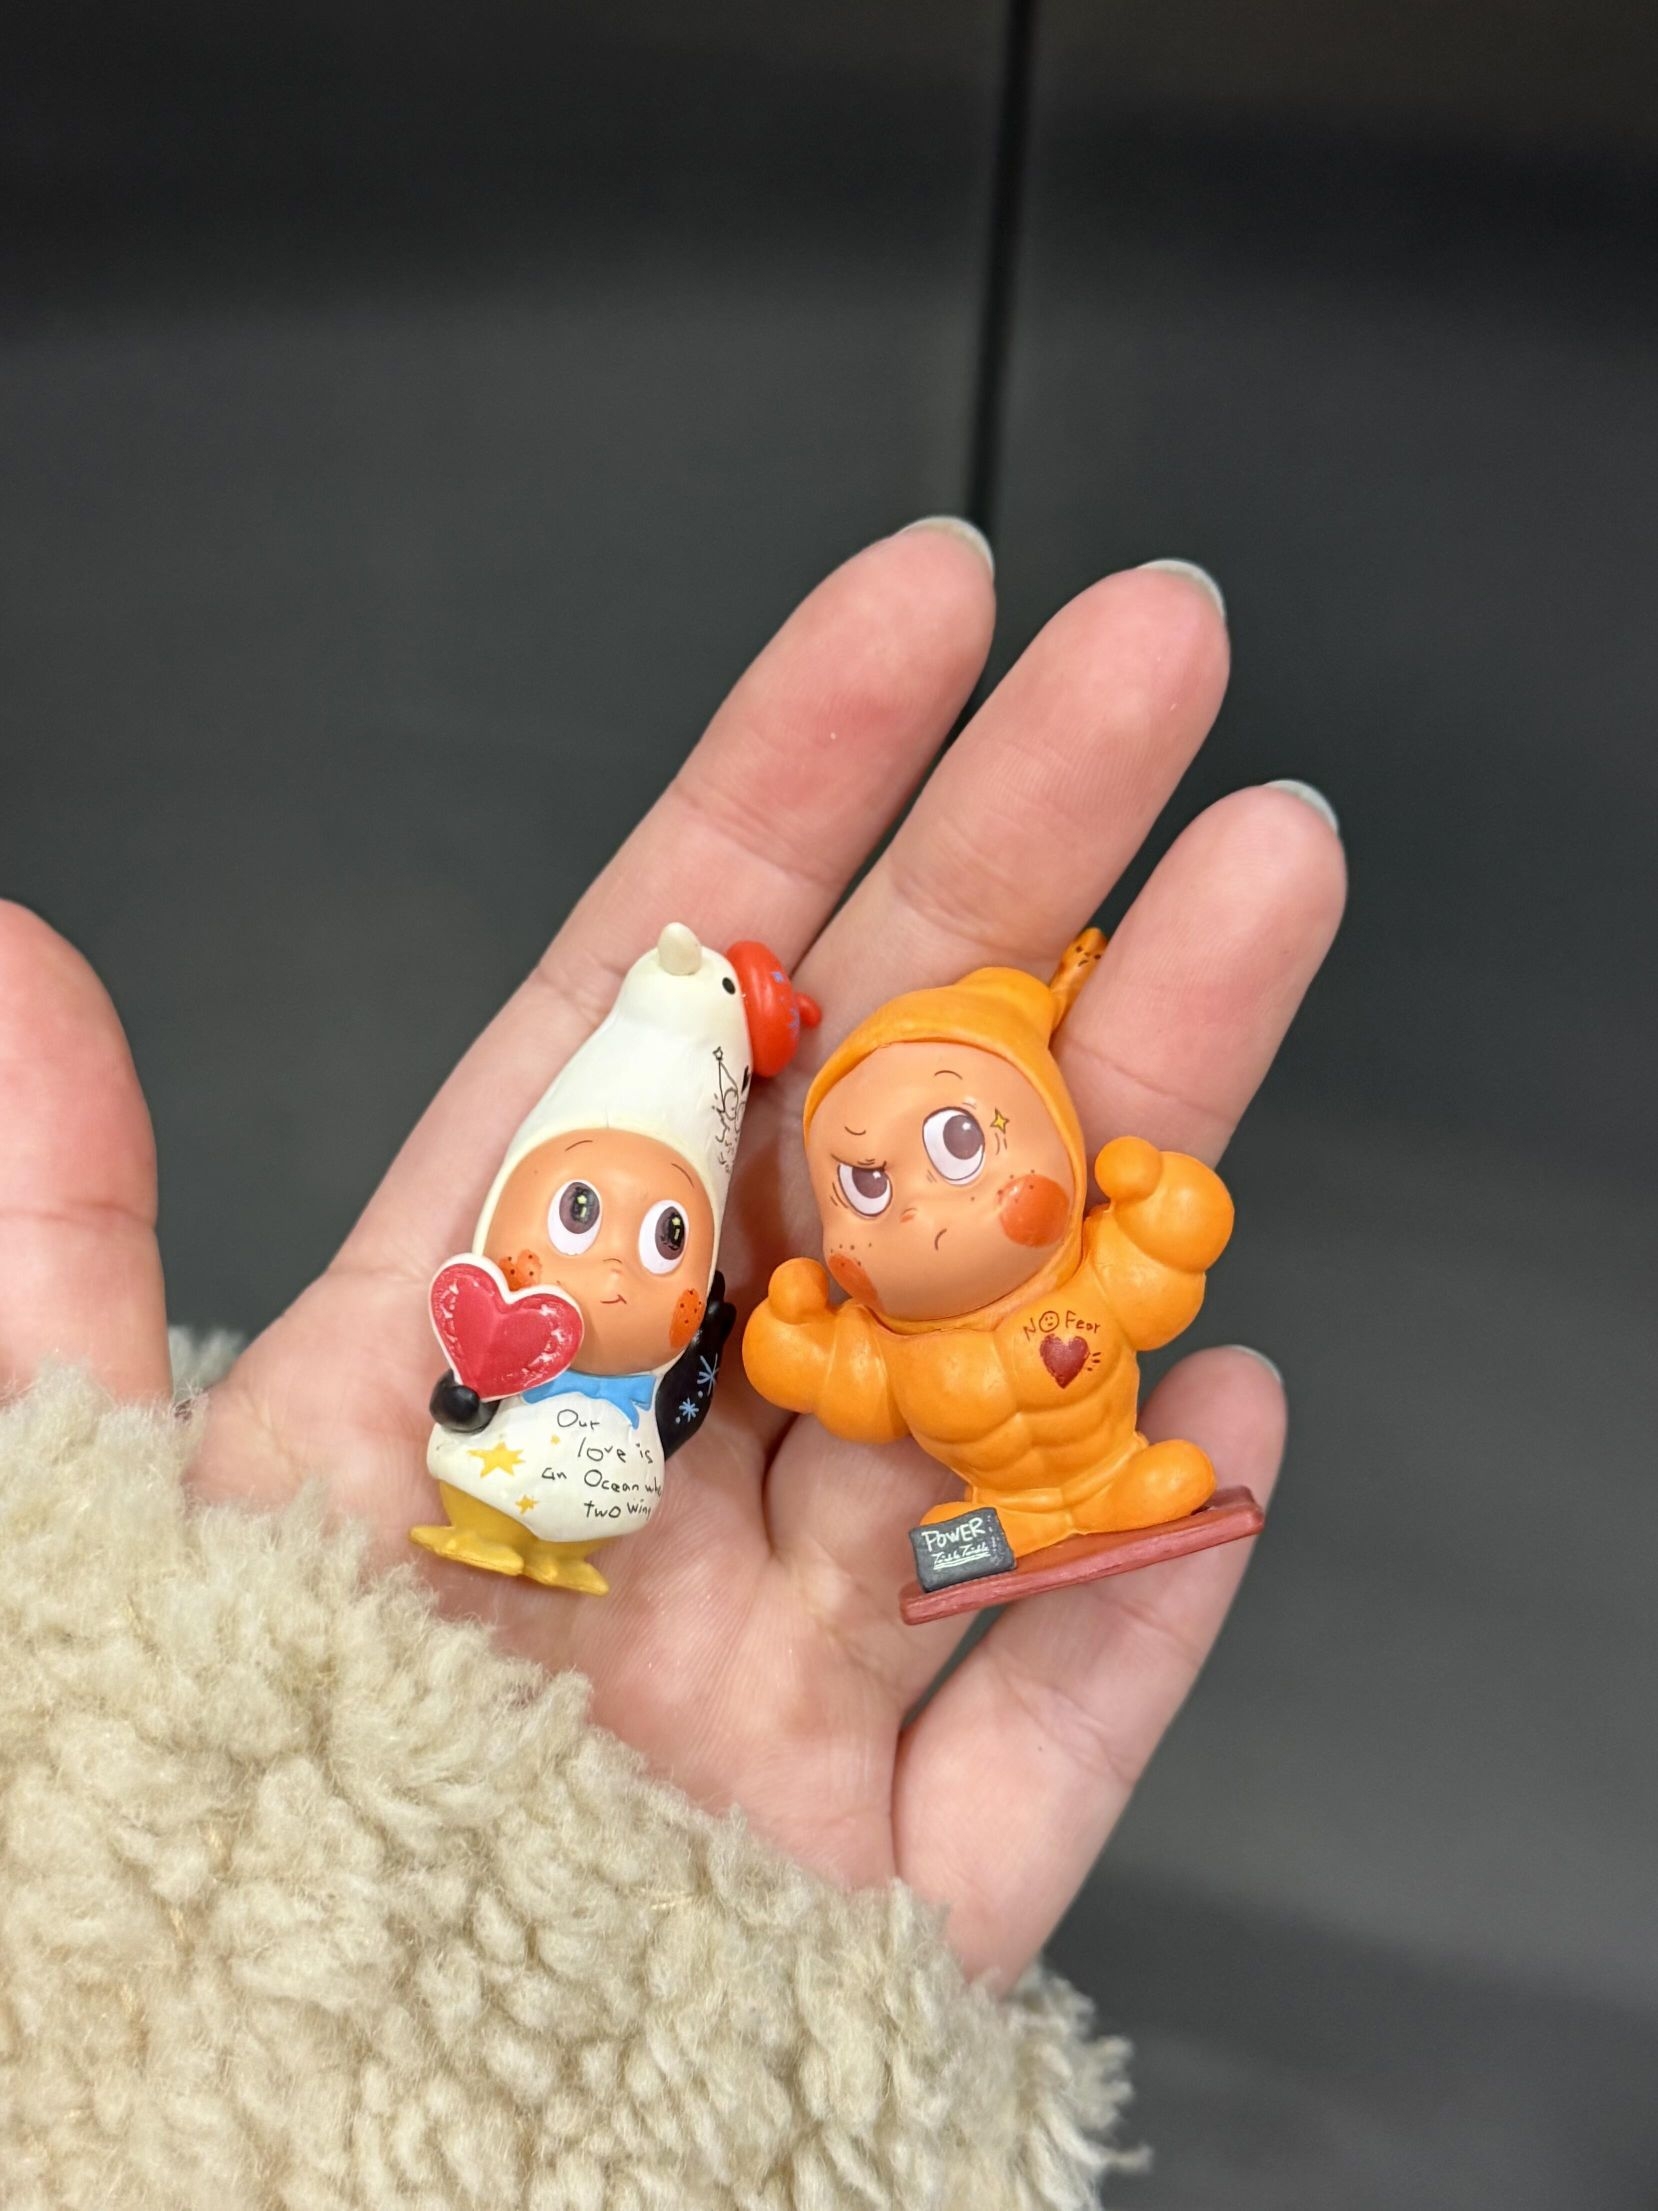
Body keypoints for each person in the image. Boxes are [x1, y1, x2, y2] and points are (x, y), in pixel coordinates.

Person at [0, 522, 1346, 2208]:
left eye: (957, 1141)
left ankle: (1102, 1496)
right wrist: (804, 1336)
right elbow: (845, 1376)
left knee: (1114, 1478)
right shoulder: (841, 1338)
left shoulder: (1052, 1268)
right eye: (868, 1184)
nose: (925, 1200)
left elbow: (1156, 1252)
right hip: (644, 1460)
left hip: (1050, 1459)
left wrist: (1148, 1205)